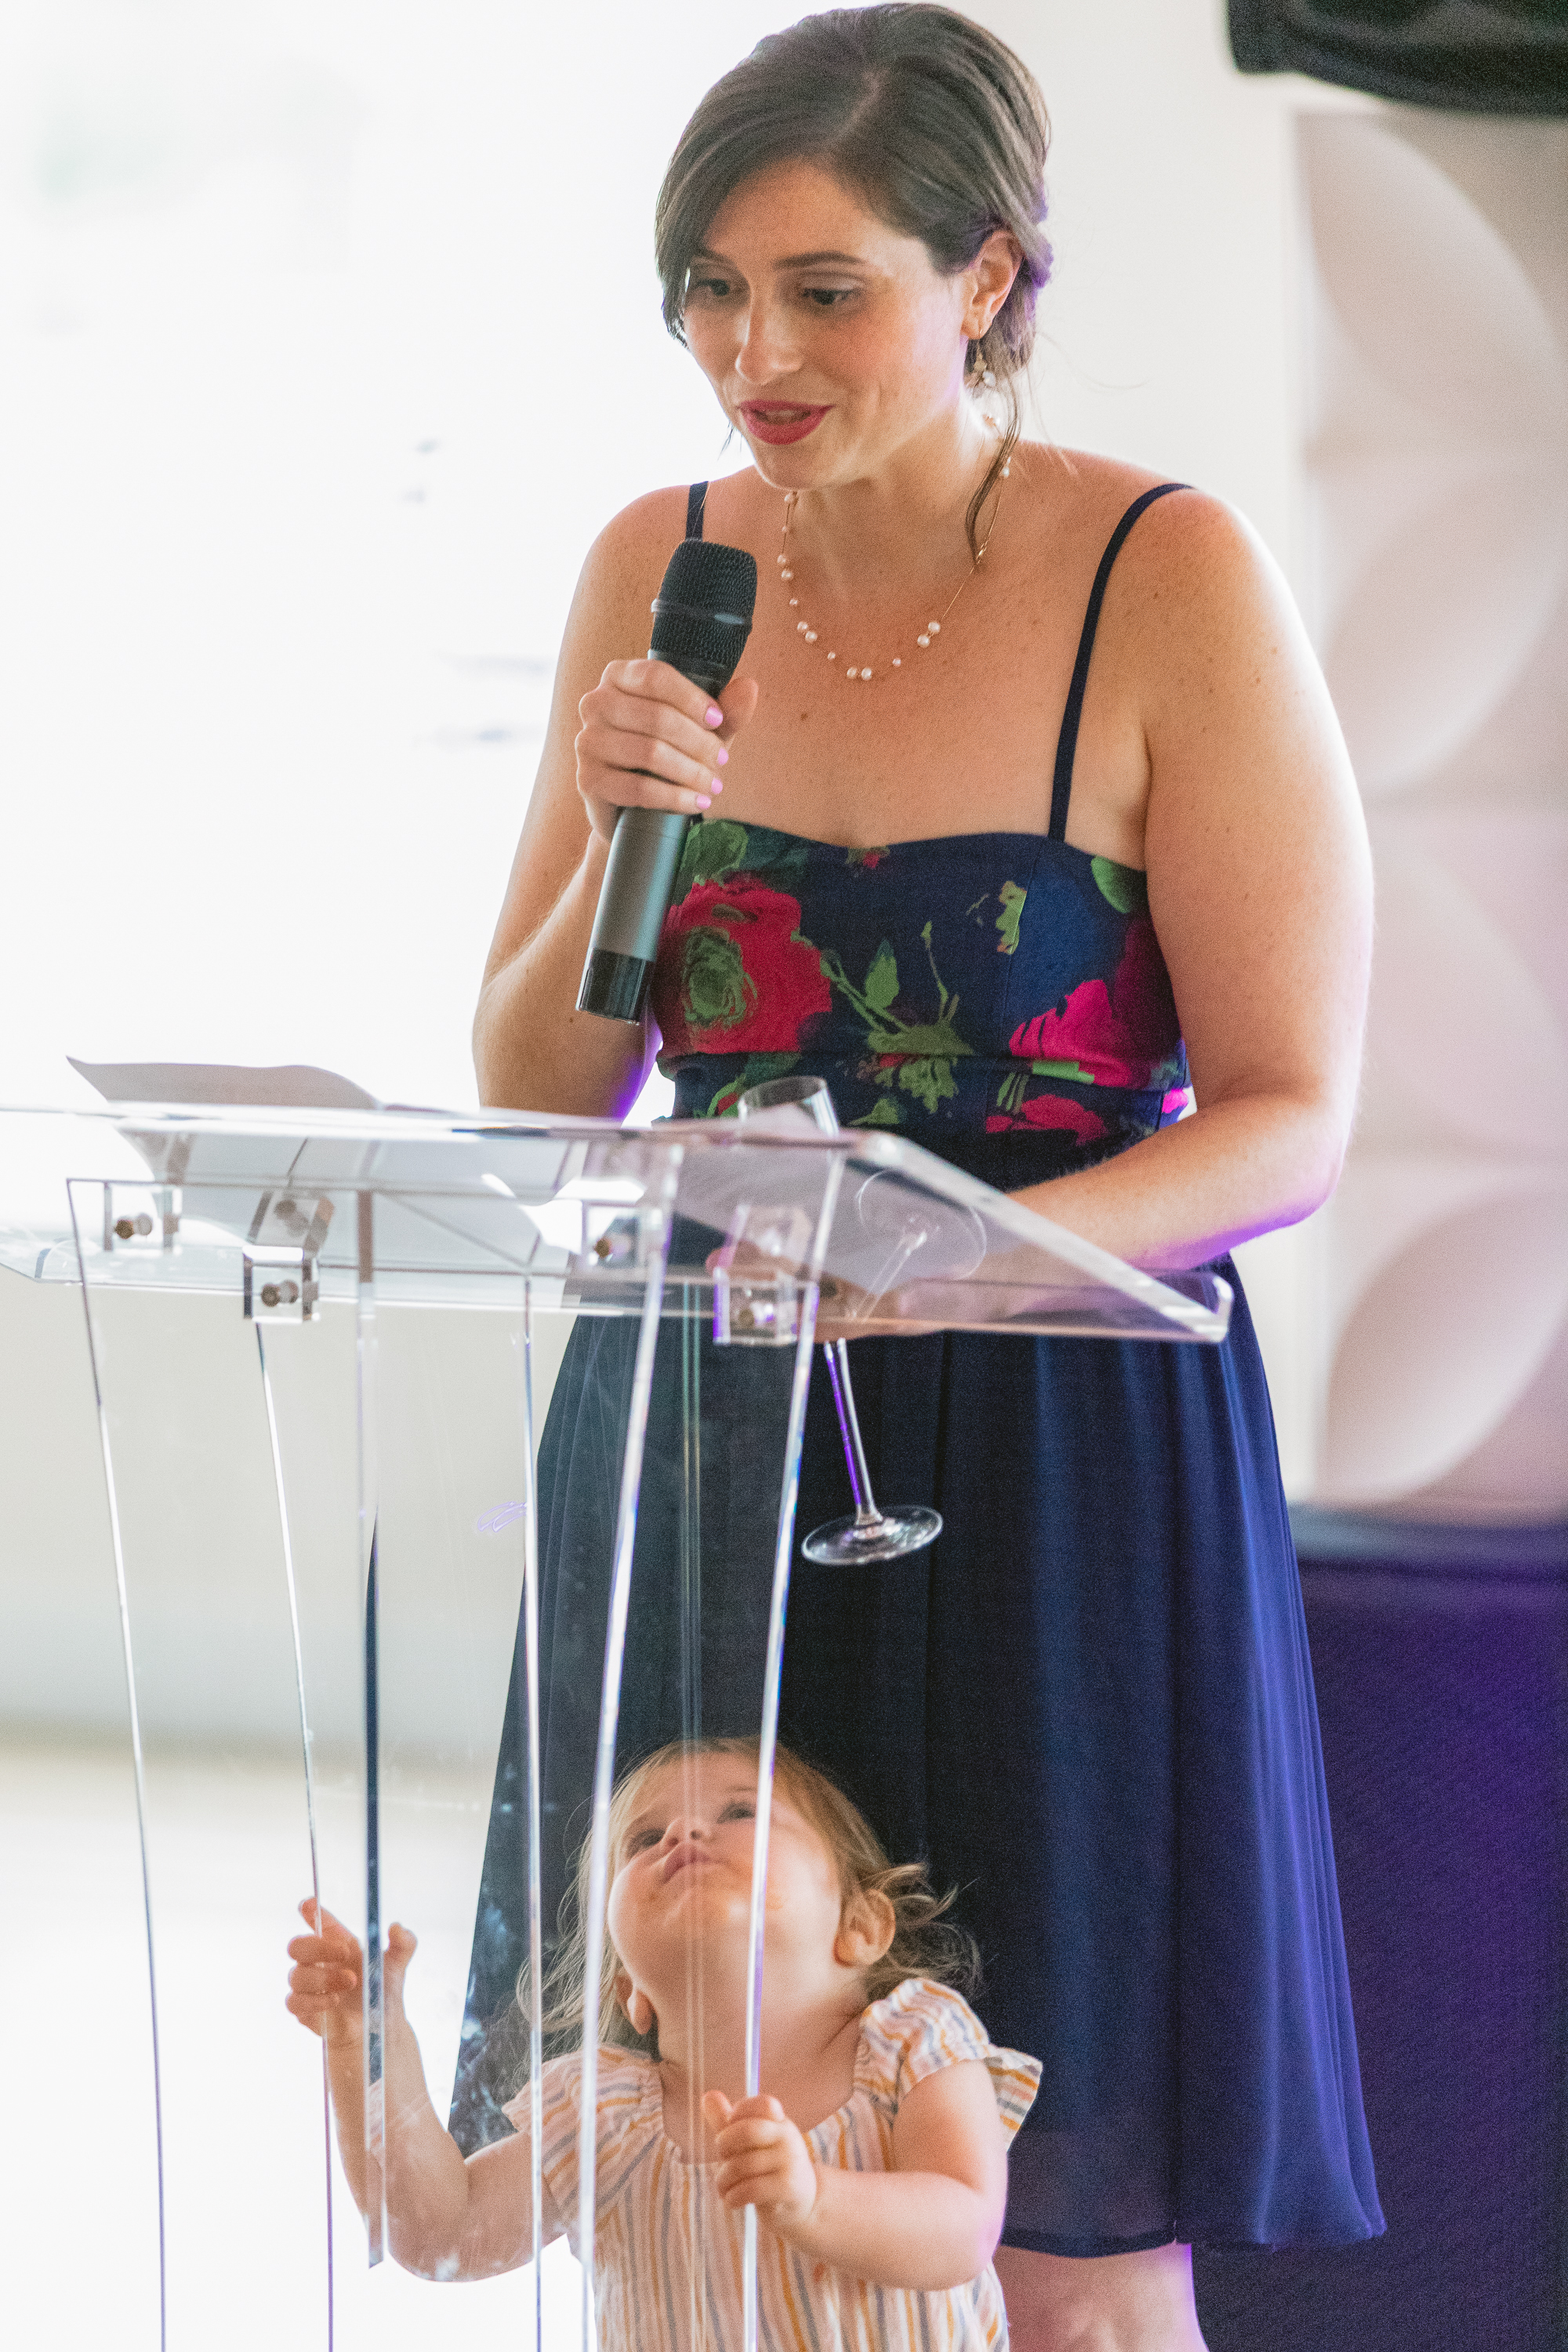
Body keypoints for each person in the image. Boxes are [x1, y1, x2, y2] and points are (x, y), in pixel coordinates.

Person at [466, 9, 1381, 2346]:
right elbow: (545, 1078)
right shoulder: (652, 565)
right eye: (707, 289)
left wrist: (956, 1264)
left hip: (1055, 1439)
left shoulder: (1167, 576)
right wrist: (624, 813)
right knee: (693, 2178)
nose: (748, 355)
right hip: (708, 1418)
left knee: (1065, 2234)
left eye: (821, 291)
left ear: (981, 278)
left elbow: (1287, 1108)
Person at [286, 1738, 1040, 2346]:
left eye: (741, 1811)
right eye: (645, 1838)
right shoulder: (601, 2115)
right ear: (631, 1989)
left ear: (862, 1925)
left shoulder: (912, 2037)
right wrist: (368, 2047)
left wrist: (815, 2200)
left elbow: (967, 2227)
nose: (683, 1834)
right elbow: (437, 2232)